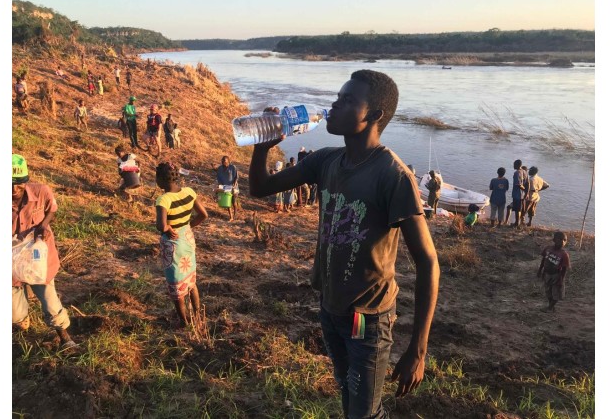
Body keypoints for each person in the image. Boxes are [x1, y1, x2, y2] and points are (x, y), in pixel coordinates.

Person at [249, 69, 439, 417]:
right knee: (351, 400)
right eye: (336, 98)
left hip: (369, 319)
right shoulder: (326, 160)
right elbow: (259, 188)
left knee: (363, 412)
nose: (334, 106)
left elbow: (428, 262)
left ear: (374, 116)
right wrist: (262, 147)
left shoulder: (394, 176)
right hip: (330, 309)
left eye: (347, 100)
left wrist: (418, 350)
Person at [12, 154, 77, 350]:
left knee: (50, 300)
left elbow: (52, 209)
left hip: (38, 260)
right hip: (11, 261)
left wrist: (43, 225)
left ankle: (65, 338)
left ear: (26, 181)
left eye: (18, 184)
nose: (13, 190)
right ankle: (22, 324)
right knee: (15, 313)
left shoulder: (41, 192)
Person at [155, 162, 208, 328]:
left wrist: (168, 228)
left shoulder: (164, 199)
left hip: (174, 244)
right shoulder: (189, 192)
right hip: (187, 239)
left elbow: (161, 226)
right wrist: (188, 226)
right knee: (191, 281)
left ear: (160, 181)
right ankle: (198, 316)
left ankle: (184, 323)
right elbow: (203, 215)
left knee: (177, 286)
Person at [537, 231, 570, 311]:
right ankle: (551, 306)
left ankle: (550, 308)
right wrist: (540, 270)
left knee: (556, 293)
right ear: (554, 240)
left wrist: (561, 279)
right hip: (547, 274)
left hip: (556, 276)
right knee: (548, 292)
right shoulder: (548, 249)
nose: (562, 242)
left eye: (564, 240)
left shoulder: (564, 254)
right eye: (559, 239)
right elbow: (543, 260)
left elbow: (564, 268)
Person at [216, 155, 239, 221]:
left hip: (233, 186)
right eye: (222, 161)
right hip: (225, 187)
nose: (224, 163)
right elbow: (218, 177)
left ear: (228, 162)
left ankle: (235, 215)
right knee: (227, 201)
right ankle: (231, 217)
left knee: (234, 202)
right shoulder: (220, 168)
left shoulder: (233, 167)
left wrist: (234, 185)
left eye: (225, 162)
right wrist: (220, 185)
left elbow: (236, 177)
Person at [511, 159, 528, 227]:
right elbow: (527, 183)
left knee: (517, 210)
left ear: (518, 165)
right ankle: (519, 222)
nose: (513, 165)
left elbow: (518, 184)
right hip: (523, 195)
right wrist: (526, 192)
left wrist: (523, 189)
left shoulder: (517, 173)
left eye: (514, 164)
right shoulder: (524, 171)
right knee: (520, 209)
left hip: (517, 194)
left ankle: (516, 223)